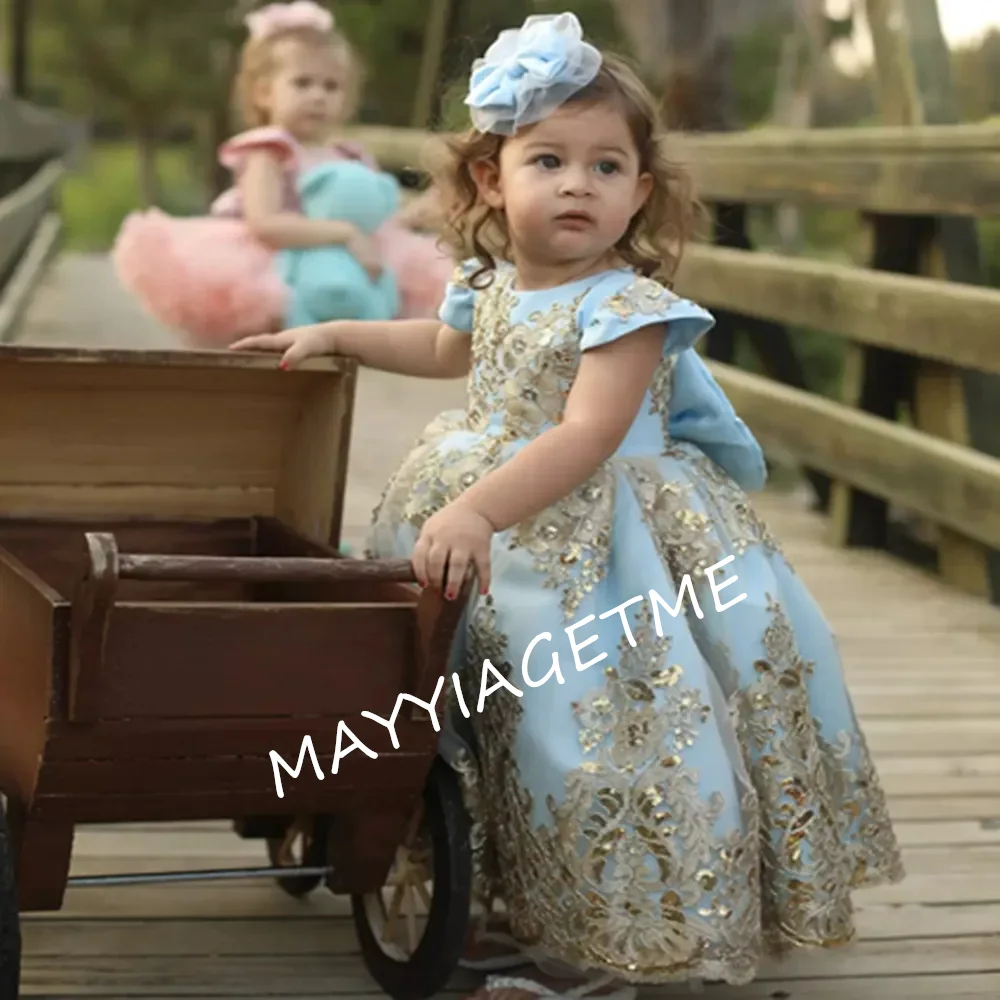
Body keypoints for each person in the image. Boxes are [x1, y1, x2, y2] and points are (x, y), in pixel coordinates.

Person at [230, 13, 904, 999]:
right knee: (474, 688)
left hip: (608, 539)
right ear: (491, 179)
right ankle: (482, 861)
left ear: (641, 190)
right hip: (499, 497)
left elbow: (587, 435)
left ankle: (634, 905)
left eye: (606, 166)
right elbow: (444, 350)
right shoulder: (492, 283)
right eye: (548, 159)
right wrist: (336, 329)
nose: (578, 184)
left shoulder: (627, 305)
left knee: (599, 715)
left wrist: (474, 512)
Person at [111, 0, 452, 347]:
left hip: (341, 271)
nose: (317, 96)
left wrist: (412, 216)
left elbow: (372, 224)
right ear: (264, 92)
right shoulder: (270, 150)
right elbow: (265, 223)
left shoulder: (347, 154)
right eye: (302, 83)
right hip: (276, 265)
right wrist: (345, 234)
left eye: (331, 87)